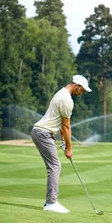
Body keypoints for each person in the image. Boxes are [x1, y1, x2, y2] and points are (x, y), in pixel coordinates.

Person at [31, 75, 92, 213]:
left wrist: (64, 142)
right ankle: (51, 203)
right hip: (43, 133)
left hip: (41, 132)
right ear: (76, 86)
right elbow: (66, 127)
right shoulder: (66, 100)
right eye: (81, 90)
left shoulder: (61, 93)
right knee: (55, 166)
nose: (81, 94)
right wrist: (69, 148)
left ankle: (51, 202)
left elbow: (59, 125)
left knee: (54, 166)